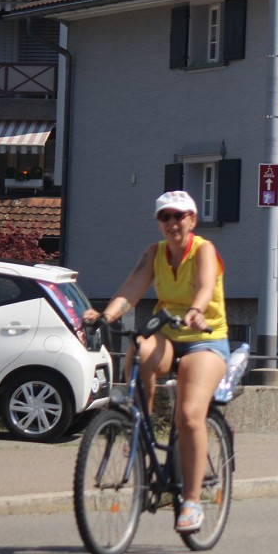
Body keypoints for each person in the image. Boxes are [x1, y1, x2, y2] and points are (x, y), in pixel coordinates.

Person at [85, 190, 230, 534]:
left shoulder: (203, 250)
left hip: (204, 338)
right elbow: (131, 289)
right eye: (165, 217)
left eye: (179, 216)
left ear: (192, 220)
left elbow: (207, 285)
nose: (172, 223)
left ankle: (192, 502)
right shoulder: (154, 253)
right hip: (168, 332)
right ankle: (139, 424)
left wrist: (196, 311)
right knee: (140, 349)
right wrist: (105, 315)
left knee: (189, 416)